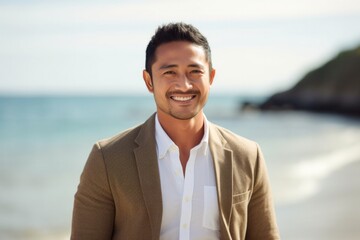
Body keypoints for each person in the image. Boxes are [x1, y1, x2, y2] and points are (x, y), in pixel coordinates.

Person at [71, 22, 280, 240]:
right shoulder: (107, 159)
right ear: (148, 81)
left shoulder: (247, 156)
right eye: (170, 72)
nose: (184, 84)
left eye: (194, 71)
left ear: (211, 77)